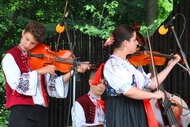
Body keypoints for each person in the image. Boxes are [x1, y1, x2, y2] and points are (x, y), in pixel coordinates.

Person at [1, 20, 90, 127]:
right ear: (23, 33)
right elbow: (16, 83)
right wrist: (38, 72)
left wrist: (73, 71)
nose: (28, 44)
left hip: (41, 112)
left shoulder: (40, 57)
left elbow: (52, 84)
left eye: (33, 43)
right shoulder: (10, 56)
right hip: (22, 112)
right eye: (27, 39)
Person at [103, 24, 181, 127]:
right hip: (122, 110)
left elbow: (151, 84)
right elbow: (128, 91)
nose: (137, 43)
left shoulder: (131, 64)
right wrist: (153, 95)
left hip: (137, 108)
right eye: (135, 40)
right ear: (126, 43)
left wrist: (170, 66)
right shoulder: (112, 64)